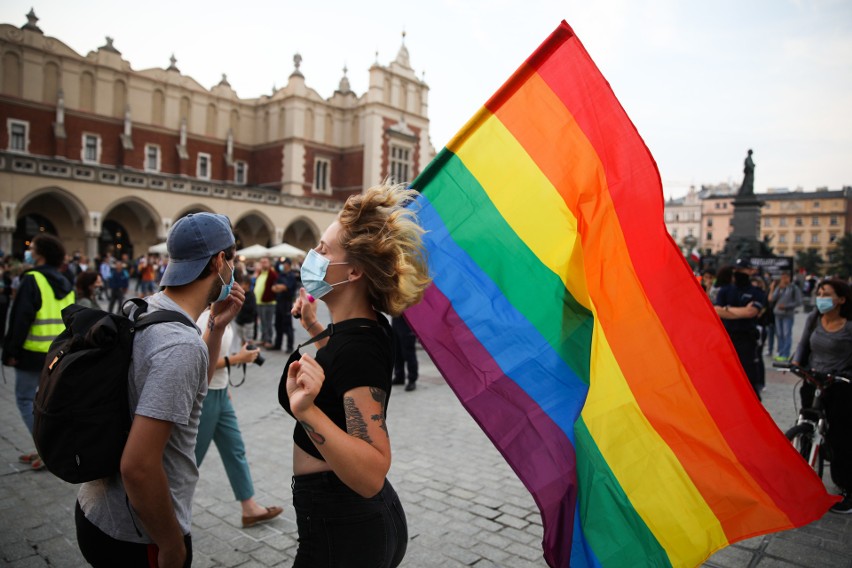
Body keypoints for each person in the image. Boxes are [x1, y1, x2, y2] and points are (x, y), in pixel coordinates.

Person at [75, 212, 244, 567]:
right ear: (219, 261)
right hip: (139, 534)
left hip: (97, 509)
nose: (234, 268)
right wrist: (170, 544)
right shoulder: (179, 344)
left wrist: (214, 327)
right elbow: (137, 466)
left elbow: (191, 380)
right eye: (233, 258)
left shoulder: (146, 308)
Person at [280, 183, 430, 567]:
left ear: (355, 271)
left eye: (324, 250)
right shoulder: (362, 328)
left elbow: (371, 472)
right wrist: (317, 331)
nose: (313, 256)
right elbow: (342, 374)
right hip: (345, 522)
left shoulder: (358, 346)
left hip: (343, 529)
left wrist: (307, 412)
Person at [194, 308, 283, 528]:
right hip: (206, 397)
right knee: (191, 458)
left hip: (221, 393)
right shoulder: (206, 318)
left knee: (235, 449)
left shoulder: (224, 317)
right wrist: (238, 359)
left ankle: (249, 508)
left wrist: (226, 386)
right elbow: (203, 362)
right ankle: (165, 509)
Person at [2, 235, 75, 471]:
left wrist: (11, 350)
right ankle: (49, 447)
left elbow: (20, 319)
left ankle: (47, 450)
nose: (28, 252)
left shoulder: (33, 279)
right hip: (58, 352)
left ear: (40, 254)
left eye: (31, 248)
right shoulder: (66, 280)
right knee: (48, 402)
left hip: (32, 351)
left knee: (25, 399)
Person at [792, 279, 852, 514]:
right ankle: (802, 480)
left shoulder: (848, 326)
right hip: (812, 379)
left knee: (841, 437)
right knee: (806, 429)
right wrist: (796, 363)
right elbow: (803, 344)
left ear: (841, 299)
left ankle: (846, 488)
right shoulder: (814, 318)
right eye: (819, 292)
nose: (820, 297)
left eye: (826, 293)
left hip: (839, 385)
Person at [714, 258, 767, 400]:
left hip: (746, 339)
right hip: (727, 338)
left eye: (741, 270)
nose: (737, 273)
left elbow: (751, 313)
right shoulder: (725, 290)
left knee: (748, 378)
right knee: (725, 378)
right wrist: (739, 311)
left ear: (750, 271)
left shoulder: (756, 292)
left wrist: (727, 310)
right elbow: (716, 311)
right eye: (736, 270)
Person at [770, 271, 803, 362]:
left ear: (789, 278)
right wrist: (776, 289)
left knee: (786, 334)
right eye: (782, 277)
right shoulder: (780, 287)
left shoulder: (794, 288)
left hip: (787, 314)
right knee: (779, 334)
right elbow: (773, 299)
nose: (784, 279)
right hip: (778, 313)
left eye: (786, 277)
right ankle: (780, 352)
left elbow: (799, 302)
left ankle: (786, 353)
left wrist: (787, 306)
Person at [272, 258, 297, 352]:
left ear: (288, 265)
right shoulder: (280, 275)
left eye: (284, 263)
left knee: (287, 325)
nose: (282, 265)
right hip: (279, 301)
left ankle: (289, 346)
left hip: (286, 303)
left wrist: (281, 287)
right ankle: (277, 344)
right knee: (277, 324)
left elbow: (285, 287)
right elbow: (274, 287)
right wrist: (280, 287)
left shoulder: (291, 276)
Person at [254, 257, 277, 347]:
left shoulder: (272, 274)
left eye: (265, 262)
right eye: (262, 262)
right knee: (262, 322)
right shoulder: (260, 273)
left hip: (269, 302)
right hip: (259, 302)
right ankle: (263, 339)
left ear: (269, 264)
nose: (263, 264)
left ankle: (269, 340)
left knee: (268, 322)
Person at [392, 316, 419, 391]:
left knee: (409, 352)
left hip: (408, 320)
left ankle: (412, 379)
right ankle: (399, 376)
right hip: (397, 318)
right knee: (397, 351)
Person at [234, 272, 258, 347]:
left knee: (248, 340)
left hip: (248, 321)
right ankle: (243, 352)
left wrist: (241, 304)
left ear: (247, 284)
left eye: (242, 283)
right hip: (240, 320)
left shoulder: (251, 295)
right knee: (242, 338)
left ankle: (250, 353)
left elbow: (252, 308)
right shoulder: (240, 293)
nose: (240, 285)